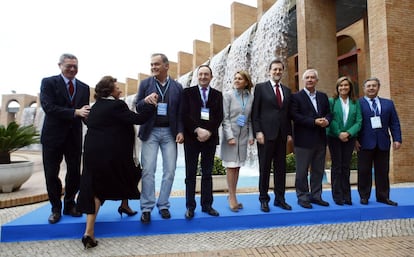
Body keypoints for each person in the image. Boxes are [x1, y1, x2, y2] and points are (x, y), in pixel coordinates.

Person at [76, 76, 157, 249]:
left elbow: (91, 122)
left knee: (104, 183)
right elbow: (138, 119)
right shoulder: (117, 105)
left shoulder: (95, 107)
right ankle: (89, 232)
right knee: (124, 175)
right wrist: (151, 106)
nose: (120, 90)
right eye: (117, 88)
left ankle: (123, 206)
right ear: (110, 90)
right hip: (111, 154)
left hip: (92, 154)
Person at [40, 53, 90, 224]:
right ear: (59, 65)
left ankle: (70, 204)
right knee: (51, 174)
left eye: (75, 66)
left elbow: (85, 113)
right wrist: (74, 112)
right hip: (52, 137)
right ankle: (55, 208)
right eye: (68, 66)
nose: (72, 69)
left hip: (74, 137)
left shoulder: (84, 87)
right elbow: (49, 108)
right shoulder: (48, 83)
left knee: (75, 173)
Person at [135, 53, 184, 224]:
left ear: (166, 66)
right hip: (151, 132)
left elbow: (180, 113)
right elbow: (137, 107)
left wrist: (181, 131)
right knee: (148, 170)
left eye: (156, 64)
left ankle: (163, 204)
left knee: (170, 171)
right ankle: (146, 208)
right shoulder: (145, 84)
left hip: (170, 133)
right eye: (151, 65)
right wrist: (145, 101)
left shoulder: (178, 87)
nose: (153, 67)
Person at [182, 65, 223, 219]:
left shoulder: (217, 95)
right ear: (197, 76)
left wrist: (209, 131)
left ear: (211, 77)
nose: (203, 77)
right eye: (201, 74)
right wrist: (197, 130)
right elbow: (184, 114)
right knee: (190, 174)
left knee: (207, 174)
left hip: (210, 139)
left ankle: (207, 205)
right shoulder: (187, 93)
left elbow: (219, 116)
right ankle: (190, 206)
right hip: (192, 138)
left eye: (206, 74)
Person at [251, 59, 293, 212]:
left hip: (281, 136)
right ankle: (264, 199)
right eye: (274, 69)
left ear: (282, 71)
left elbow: (287, 114)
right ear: (269, 71)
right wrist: (258, 132)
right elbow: (255, 112)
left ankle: (280, 199)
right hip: (265, 135)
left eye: (280, 70)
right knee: (265, 168)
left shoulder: (287, 91)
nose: (277, 72)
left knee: (281, 169)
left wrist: (289, 133)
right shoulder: (261, 88)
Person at [356, 77, 402, 206]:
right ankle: (364, 196)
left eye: (374, 86)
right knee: (364, 171)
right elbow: (354, 123)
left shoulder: (388, 103)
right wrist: (354, 140)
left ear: (378, 87)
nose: (371, 88)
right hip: (364, 142)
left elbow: (394, 123)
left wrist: (397, 138)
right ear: (364, 88)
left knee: (383, 171)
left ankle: (383, 196)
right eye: (368, 86)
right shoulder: (357, 104)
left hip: (383, 142)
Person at [290, 68, 332, 209]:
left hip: (320, 140)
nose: (310, 80)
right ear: (303, 80)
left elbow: (329, 113)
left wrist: (327, 120)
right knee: (301, 171)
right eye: (307, 77)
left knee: (318, 170)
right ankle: (302, 197)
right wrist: (314, 122)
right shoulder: (296, 97)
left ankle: (316, 196)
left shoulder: (323, 96)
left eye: (312, 77)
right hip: (303, 141)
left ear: (316, 80)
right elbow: (295, 116)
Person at [220, 71, 254, 212]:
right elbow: (225, 119)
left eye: (240, 78)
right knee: (231, 166)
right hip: (231, 137)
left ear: (246, 82)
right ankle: (232, 196)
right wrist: (229, 136)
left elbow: (250, 119)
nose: (236, 80)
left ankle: (233, 194)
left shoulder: (250, 97)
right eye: (235, 77)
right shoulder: (227, 96)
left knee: (238, 166)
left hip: (243, 137)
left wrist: (251, 136)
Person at [327, 76, 362, 205]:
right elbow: (330, 119)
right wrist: (339, 133)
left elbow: (359, 121)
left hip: (349, 138)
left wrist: (348, 133)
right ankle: (337, 196)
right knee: (337, 166)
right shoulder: (332, 101)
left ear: (350, 87)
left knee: (346, 166)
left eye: (346, 85)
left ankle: (347, 196)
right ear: (337, 87)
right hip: (334, 137)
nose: (343, 87)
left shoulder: (355, 102)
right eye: (341, 85)